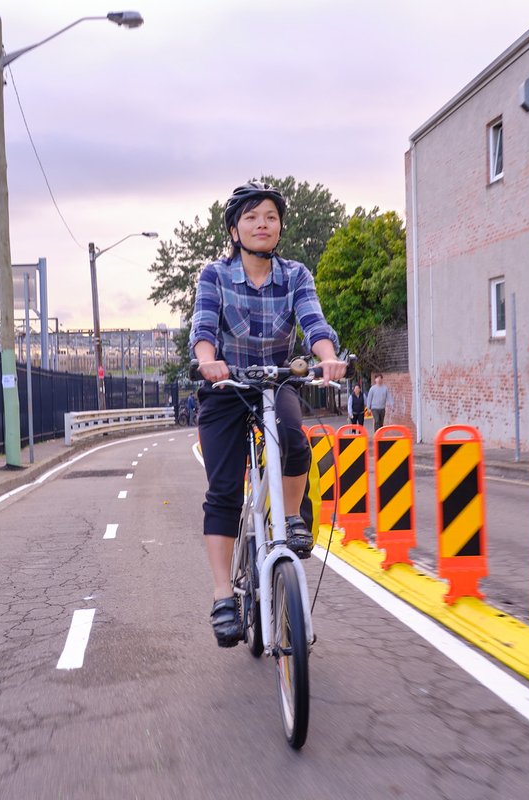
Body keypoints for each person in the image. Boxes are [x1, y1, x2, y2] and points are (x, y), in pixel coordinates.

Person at [190, 181, 347, 647]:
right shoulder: (214, 276)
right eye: (253, 217)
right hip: (225, 389)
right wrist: (206, 359)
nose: (263, 224)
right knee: (222, 491)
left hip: (275, 383)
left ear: (279, 228)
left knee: (296, 443)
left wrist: (327, 354)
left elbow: (314, 322)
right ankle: (223, 595)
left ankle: (292, 517)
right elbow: (203, 327)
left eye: (271, 217)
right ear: (235, 229)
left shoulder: (296, 274)